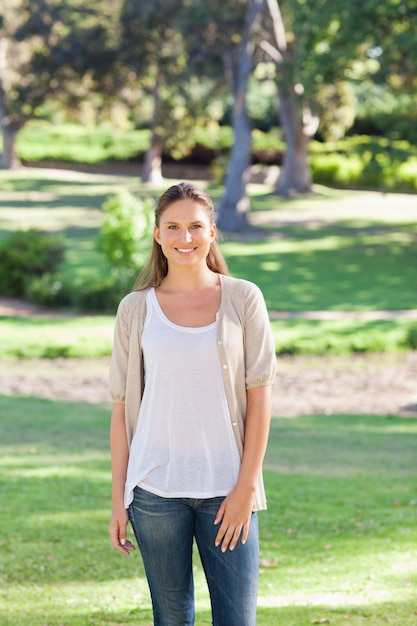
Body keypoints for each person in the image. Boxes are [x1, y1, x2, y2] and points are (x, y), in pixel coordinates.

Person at [108, 182, 276, 626]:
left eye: (196, 226)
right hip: (154, 490)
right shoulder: (135, 309)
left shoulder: (243, 298)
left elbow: (260, 398)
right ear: (158, 235)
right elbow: (122, 411)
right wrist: (117, 500)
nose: (186, 238)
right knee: (171, 618)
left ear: (213, 232)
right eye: (174, 227)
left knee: (236, 619)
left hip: (227, 488)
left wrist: (245, 488)